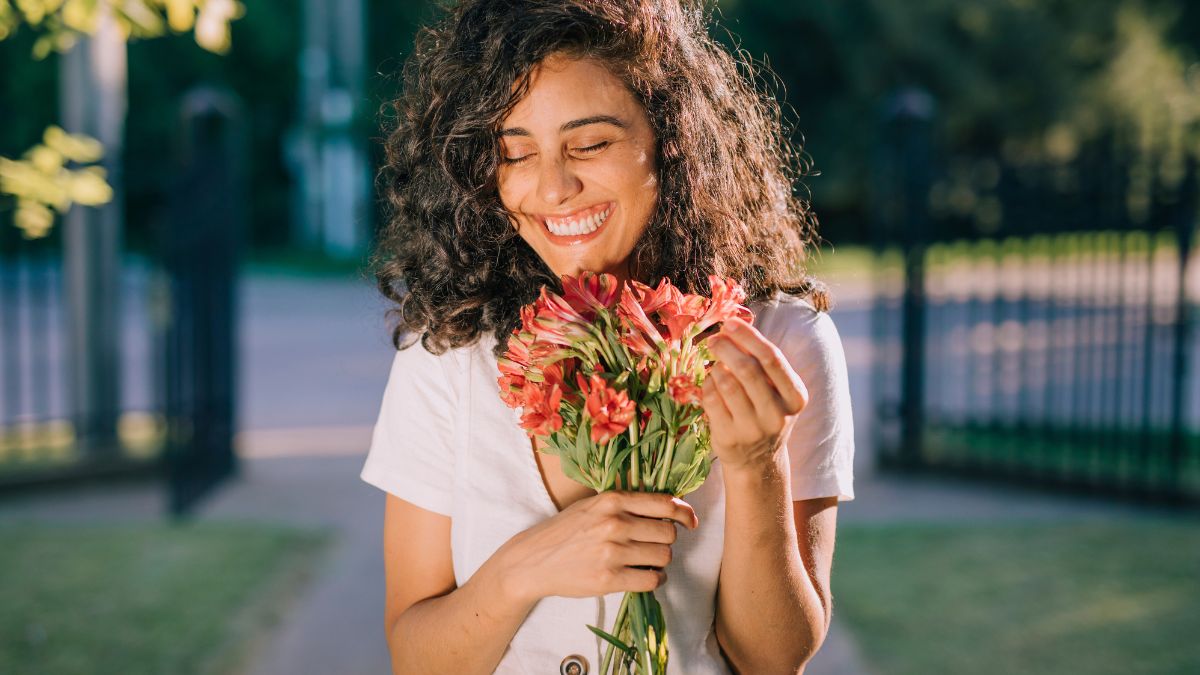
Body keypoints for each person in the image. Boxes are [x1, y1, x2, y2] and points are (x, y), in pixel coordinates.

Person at [360, 0, 855, 672]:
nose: (553, 187)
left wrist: (757, 463)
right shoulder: (448, 350)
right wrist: (522, 567)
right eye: (514, 151)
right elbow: (416, 656)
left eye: (590, 144)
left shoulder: (784, 340)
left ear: (671, 141)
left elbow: (774, 657)